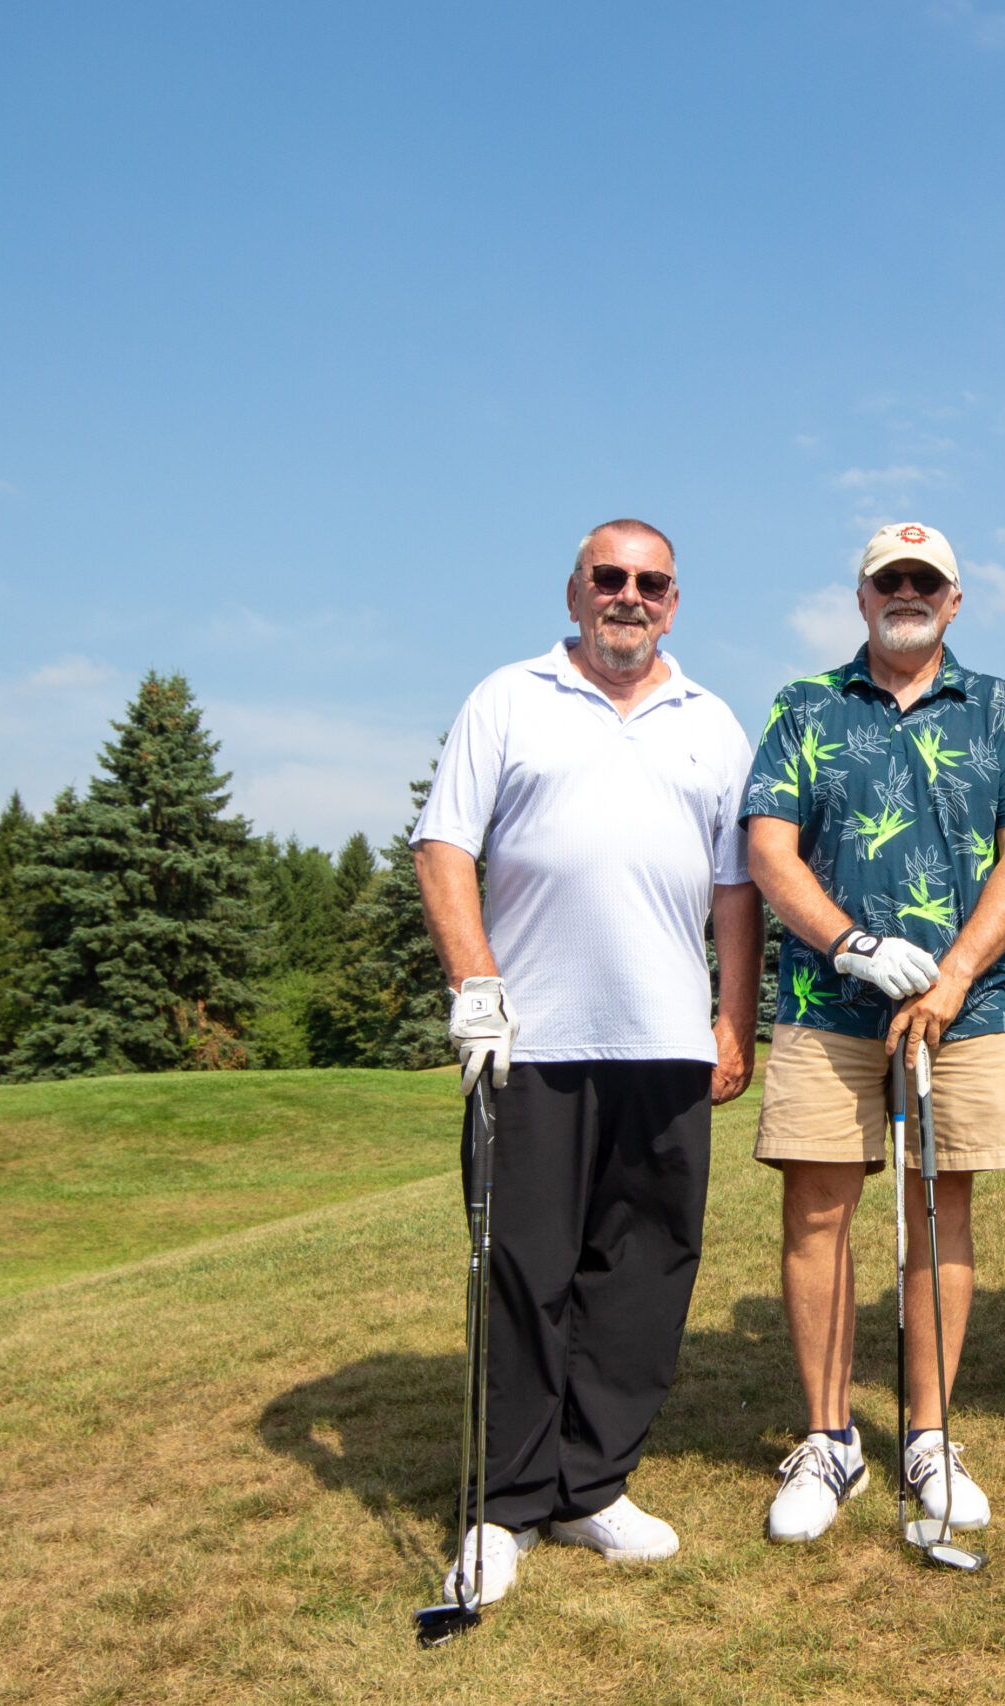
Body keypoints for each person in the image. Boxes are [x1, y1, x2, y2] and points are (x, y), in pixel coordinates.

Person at [411, 518, 762, 1606]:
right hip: (532, 1043)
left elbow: (735, 889)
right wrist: (476, 985)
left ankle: (591, 1483)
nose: (629, 596)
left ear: (673, 602)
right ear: (574, 592)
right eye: (609, 578)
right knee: (526, 1269)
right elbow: (443, 846)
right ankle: (506, 1504)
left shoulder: (711, 721)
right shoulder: (508, 697)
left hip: (666, 1041)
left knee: (646, 1269)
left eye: (651, 582)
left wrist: (733, 1017)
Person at [742, 521, 1005, 1546]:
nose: (907, 592)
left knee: (940, 1211)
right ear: (863, 597)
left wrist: (951, 976)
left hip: (964, 1008)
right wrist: (851, 944)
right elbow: (770, 851)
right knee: (817, 1211)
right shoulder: (804, 704)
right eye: (890, 580)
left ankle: (928, 1435)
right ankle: (829, 1436)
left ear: (954, 600)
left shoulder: (998, 707)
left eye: (927, 580)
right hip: (828, 1001)